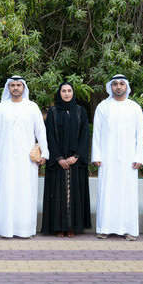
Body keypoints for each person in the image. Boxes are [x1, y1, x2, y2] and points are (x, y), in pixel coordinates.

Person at [0, 76, 49, 238]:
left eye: (18, 85)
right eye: (13, 85)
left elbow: (40, 131)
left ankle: (25, 230)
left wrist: (44, 153)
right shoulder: (1, 108)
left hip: (26, 160)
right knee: (5, 192)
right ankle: (4, 230)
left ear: (24, 88)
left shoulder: (32, 107)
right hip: (5, 158)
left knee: (26, 193)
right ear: (8, 88)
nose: (15, 88)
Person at [91, 74, 143, 241]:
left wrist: (138, 156)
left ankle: (129, 229)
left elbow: (139, 135)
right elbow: (97, 134)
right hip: (107, 158)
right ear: (110, 87)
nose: (118, 87)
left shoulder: (134, 107)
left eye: (121, 84)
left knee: (127, 193)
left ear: (126, 86)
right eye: (115, 84)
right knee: (107, 192)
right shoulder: (103, 107)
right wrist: (96, 155)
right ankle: (104, 228)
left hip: (129, 159)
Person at [41, 81, 91, 237]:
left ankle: (72, 227)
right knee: (58, 194)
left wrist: (76, 157)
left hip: (75, 161)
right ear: (59, 93)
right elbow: (49, 136)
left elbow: (85, 135)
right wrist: (58, 158)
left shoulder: (80, 111)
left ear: (73, 93)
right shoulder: (53, 112)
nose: (67, 94)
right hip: (58, 162)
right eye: (64, 91)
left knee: (74, 193)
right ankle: (59, 227)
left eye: (69, 90)